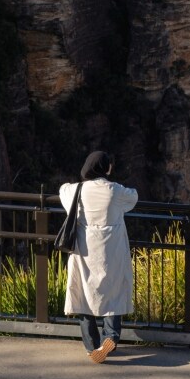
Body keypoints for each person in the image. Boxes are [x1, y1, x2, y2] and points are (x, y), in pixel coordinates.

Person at [59, 150, 138, 363]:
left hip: (84, 253)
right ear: (106, 168)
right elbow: (134, 197)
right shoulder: (115, 191)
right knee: (113, 294)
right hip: (111, 252)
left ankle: (91, 346)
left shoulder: (76, 191)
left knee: (84, 295)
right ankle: (109, 339)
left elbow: (63, 189)